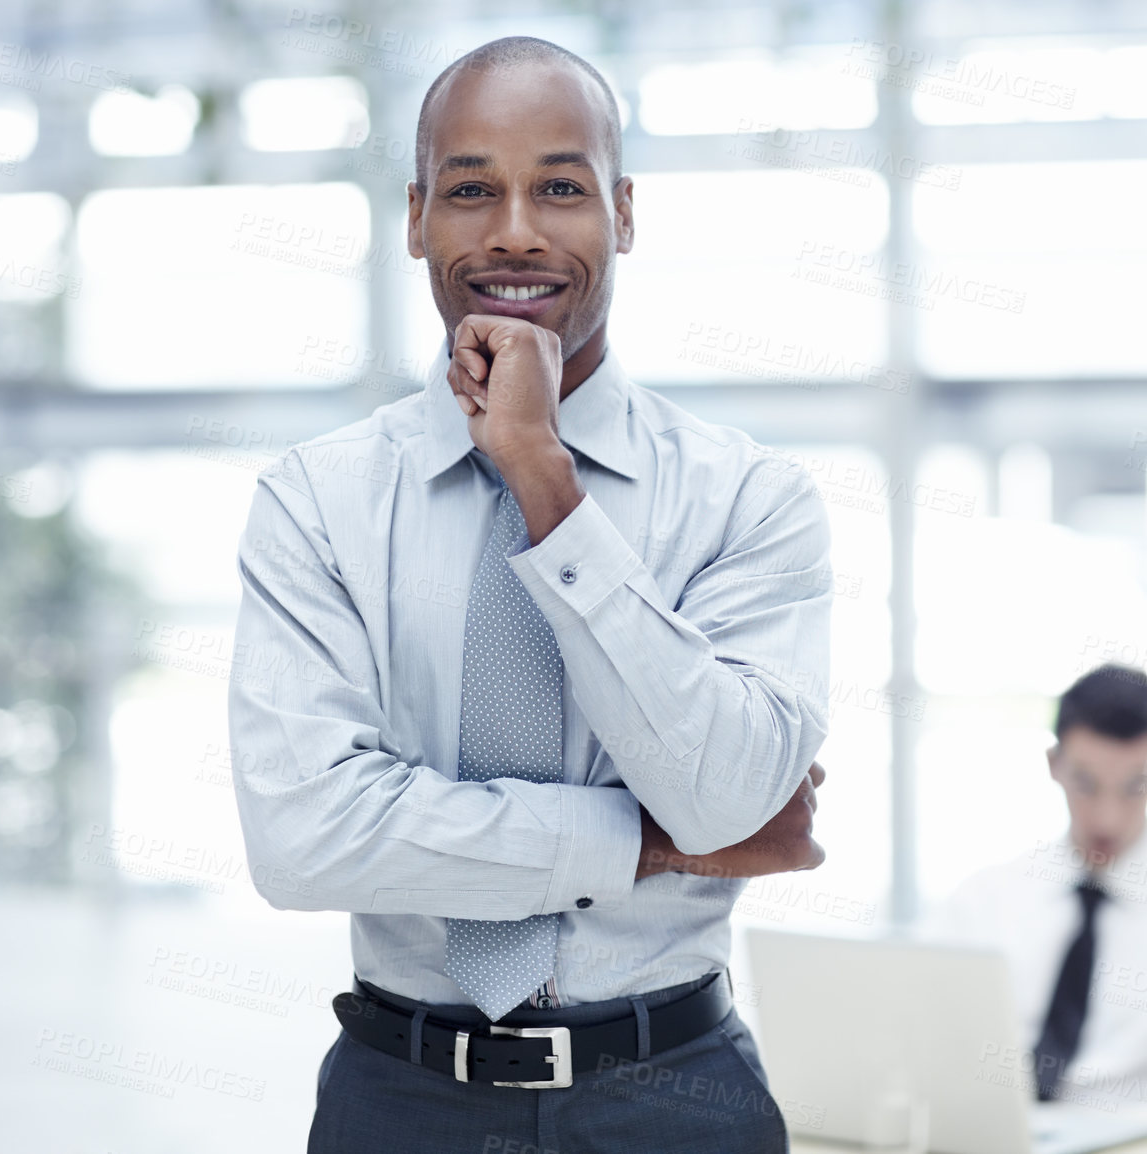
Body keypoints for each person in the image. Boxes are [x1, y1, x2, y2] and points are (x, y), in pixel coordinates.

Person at [227, 36, 833, 1153]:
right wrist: (642, 842)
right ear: (415, 217)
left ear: (625, 211)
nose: (514, 229)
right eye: (471, 190)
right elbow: (305, 838)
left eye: (561, 186)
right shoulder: (317, 500)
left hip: (676, 1096)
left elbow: (728, 794)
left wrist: (544, 481)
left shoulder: (750, 498)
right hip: (399, 1099)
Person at [928, 664, 1147, 1117]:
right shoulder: (983, 901)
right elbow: (930, 1049)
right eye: (1086, 784)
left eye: (1133, 786)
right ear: (1053, 764)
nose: (1107, 820)